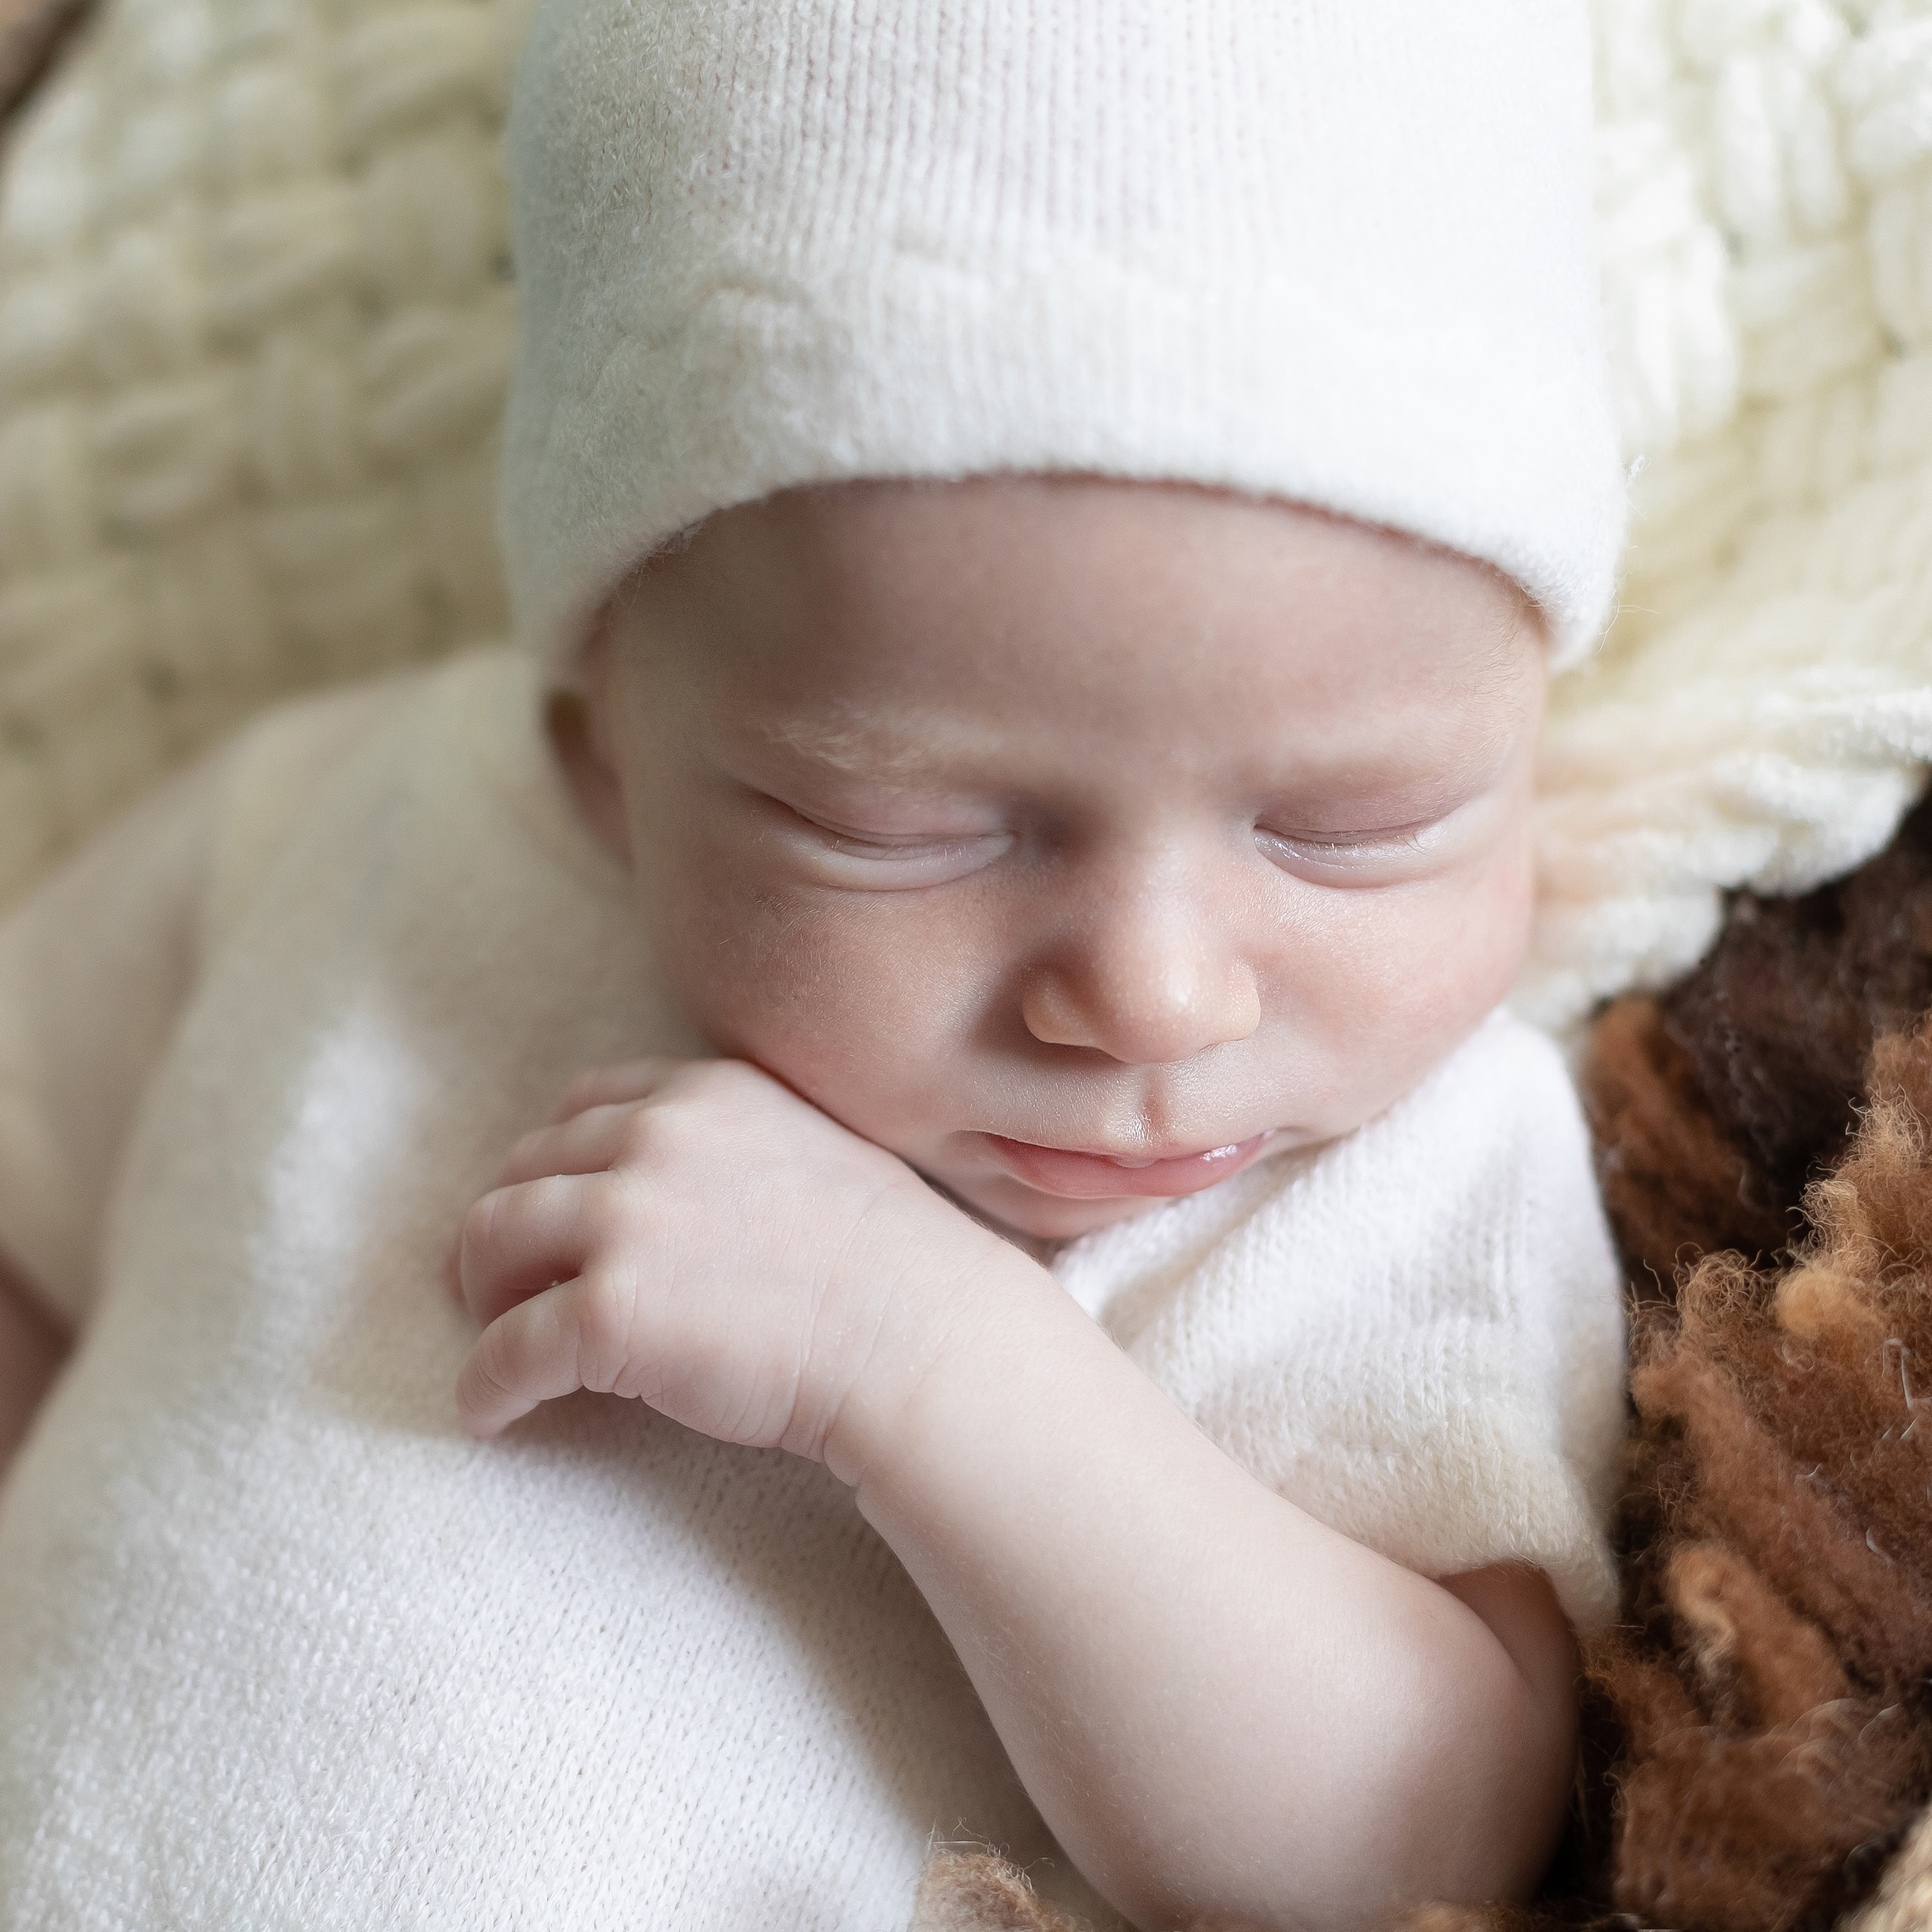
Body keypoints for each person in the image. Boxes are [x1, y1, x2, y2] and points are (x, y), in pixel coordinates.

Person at [0, 2, 1629, 1927]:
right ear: (609, 715)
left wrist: (916, 1355)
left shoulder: (1399, 1165)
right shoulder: (348, 825)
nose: (1154, 998)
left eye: (1352, 827)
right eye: (905, 825)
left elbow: (1422, 1839)